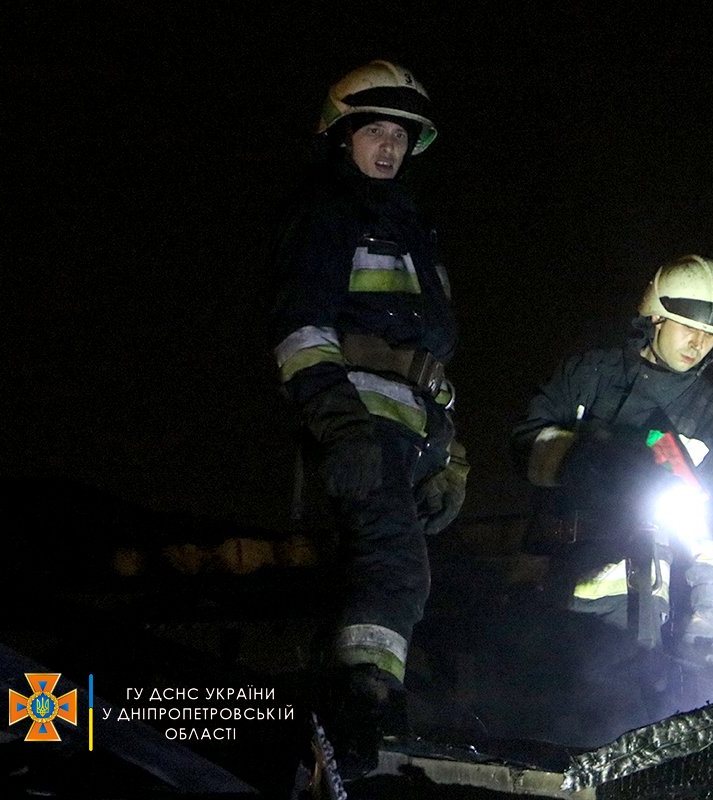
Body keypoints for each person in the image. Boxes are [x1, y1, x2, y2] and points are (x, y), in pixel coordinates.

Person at [268, 59, 467, 768]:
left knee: (392, 580)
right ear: (340, 135)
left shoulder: (416, 231)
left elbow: (427, 364)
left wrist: (449, 449)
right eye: (374, 130)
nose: (388, 146)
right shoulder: (328, 213)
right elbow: (300, 329)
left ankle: (340, 722)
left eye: (401, 135)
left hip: (408, 441)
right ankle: (362, 722)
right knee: (395, 571)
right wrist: (337, 421)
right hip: (358, 427)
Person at [510, 254, 713, 741]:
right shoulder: (590, 377)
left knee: (609, 739)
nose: (699, 344)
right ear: (655, 316)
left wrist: (707, 619)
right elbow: (525, 444)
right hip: (547, 593)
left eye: (711, 336)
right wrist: (586, 459)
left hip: (632, 618)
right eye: (688, 328)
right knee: (528, 738)